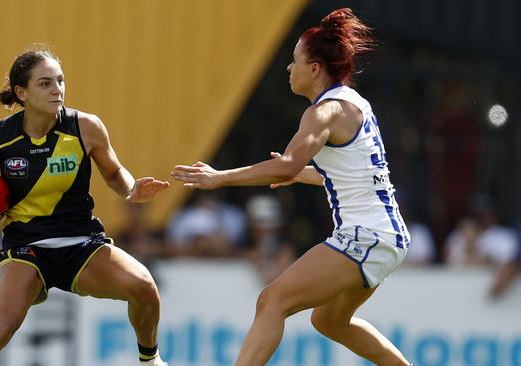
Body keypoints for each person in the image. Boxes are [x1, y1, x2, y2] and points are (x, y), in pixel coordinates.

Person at [172, 8, 411, 366]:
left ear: (314, 68)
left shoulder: (323, 111)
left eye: (295, 60)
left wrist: (218, 177)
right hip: (387, 236)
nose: (289, 68)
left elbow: (287, 164)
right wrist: (303, 175)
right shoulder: (354, 102)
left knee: (272, 301)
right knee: (329, 321)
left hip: (367, 236)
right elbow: (355, 177)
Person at [0, 46, 170, 366]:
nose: (57, 90)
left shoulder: (85, 127)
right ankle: (34, 285)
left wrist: (132, 189)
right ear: (21, 93)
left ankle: (150, 361)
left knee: (144, 286)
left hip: (81, 243)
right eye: (45, 83)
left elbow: (114, 173)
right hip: (26, 246)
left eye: (60, 81)